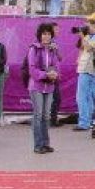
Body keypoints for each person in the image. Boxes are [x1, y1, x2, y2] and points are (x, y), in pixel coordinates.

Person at [25, 23, 62, 153]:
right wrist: (46, 74)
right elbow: (32, 69)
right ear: (40, 35)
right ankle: (37, 145)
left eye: (49, 34)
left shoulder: (53, 49)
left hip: (49, 87)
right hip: (36, 87)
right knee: (38, 115)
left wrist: (55, 74)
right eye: (44, 34)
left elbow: (57, 65)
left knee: (46, 116)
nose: (46, 36)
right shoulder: (33, 49)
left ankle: (46, 143)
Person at [73, 14, 95, 131]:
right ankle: (90, 119)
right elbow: (81, 47)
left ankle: (84, 122)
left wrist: (84, 36)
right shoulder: (91, 36)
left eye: (88, 26)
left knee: (81, 97)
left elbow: (88, 48)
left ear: (94, 25)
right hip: (85, 69)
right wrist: (83, 36)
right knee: (88, 96)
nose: (86, 28)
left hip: (88, 70)